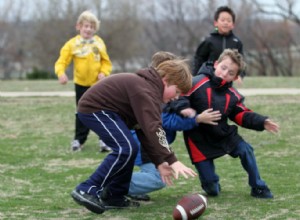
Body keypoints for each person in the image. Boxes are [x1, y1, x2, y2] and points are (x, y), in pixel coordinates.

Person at [70, 56, 198, 214]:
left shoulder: (151, 93)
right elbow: (154, 128)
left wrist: (159, 162)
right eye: (177, 91)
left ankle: (114, 196)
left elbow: (145, 131)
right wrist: (172, 160)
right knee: (126, 148)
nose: (176, 97)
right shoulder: (145, 90)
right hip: (94, 109)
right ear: (166, 79)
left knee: (131, 148)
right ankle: (87, 189)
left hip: (108, 113)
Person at [177, 49, 279, 199]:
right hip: (198, 139)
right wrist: (186, 109)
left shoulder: (233, 95)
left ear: (236, 77)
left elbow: (241, 115)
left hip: (223, 134)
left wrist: (261, 121)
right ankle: (212, 184)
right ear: (216, 64)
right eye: (223, 68)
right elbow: (180, 97)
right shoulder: (196, 82)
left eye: (230, 73)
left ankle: (258, 186)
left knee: (246, 150)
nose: (224, 74)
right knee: (212, 191)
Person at [127, 52, 221, 201]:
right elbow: (168, 122)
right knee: (157, 178)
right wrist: (197, 119)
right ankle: (114, 185)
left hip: (151, 145)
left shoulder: (165, 96)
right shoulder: (155, 99)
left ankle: (126, 188)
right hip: (144, 145)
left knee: (158, 175)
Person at [54, 10, 112, 152]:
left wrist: (104, 73)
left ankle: (104, 140)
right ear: (78, 26)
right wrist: (61, 73)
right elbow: (61, 61)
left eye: (92, 27)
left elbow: (106, 62)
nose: (88, 29)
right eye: (86, 26)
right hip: (80, 84)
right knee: (82, 112)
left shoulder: (99, 43)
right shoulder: (72, 44)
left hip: (97, 85)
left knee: (100, 112)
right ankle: (78, 140)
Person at [193, 6, 245, 83]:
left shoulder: (237, 42)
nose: (226, 23)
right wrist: (196, 75)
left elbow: (241, 61)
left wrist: (240, 75)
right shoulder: (208, 40)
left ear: (233, 24)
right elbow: (199, 59)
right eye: (223, 20)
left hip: (228, 79)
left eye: (229, 20)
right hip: (209, 78)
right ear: (216, 23)